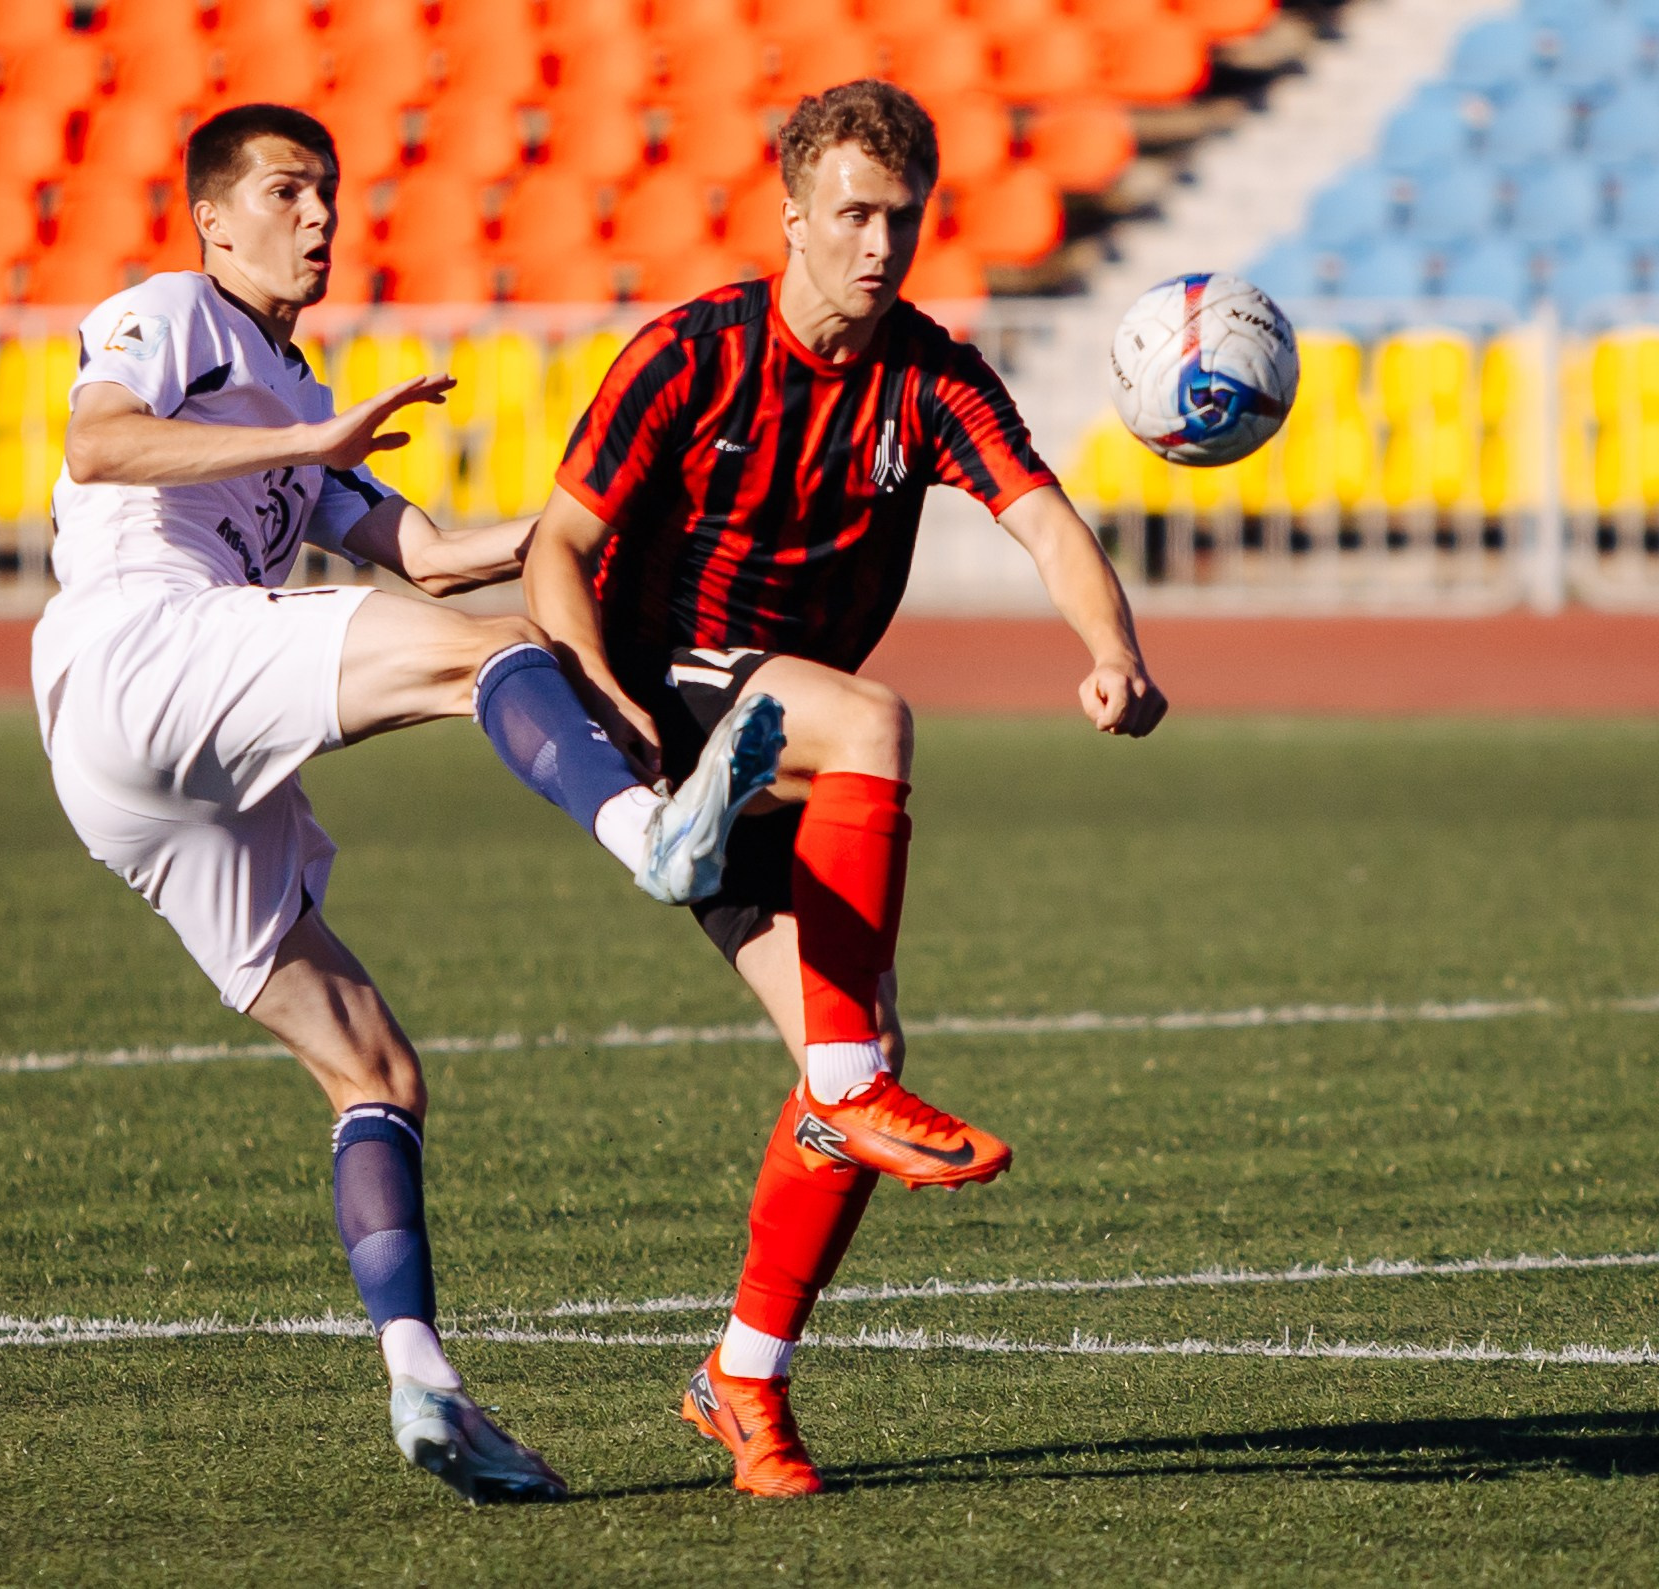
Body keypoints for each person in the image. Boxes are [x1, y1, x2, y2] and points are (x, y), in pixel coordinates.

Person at [38, 103, 784, 1504]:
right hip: (140, 650)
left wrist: (613, 506)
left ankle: (426, 1383)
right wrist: (306, 438)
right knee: (484, 660)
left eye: (328, 190)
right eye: (286, 190)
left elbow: (434, 551)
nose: (318, 216)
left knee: (375, 1071)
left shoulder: (283, 390)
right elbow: (100, 446)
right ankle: (652, 837)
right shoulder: (171, 312)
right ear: (212, 216)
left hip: (133, 770)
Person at [521, 78, 1169, 1497]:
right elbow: (556, 543)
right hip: (669, 705)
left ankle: (741, 1381)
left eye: (904, 218)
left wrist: (1113, 648)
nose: (881, 245)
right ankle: (856, 1087)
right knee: (874, 720)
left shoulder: (929, 375)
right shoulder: (688, 355)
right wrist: (597, 695)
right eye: (855, 215)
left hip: (770, 761)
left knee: (842, 1053)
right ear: (793, 215)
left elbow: (1046, 519)